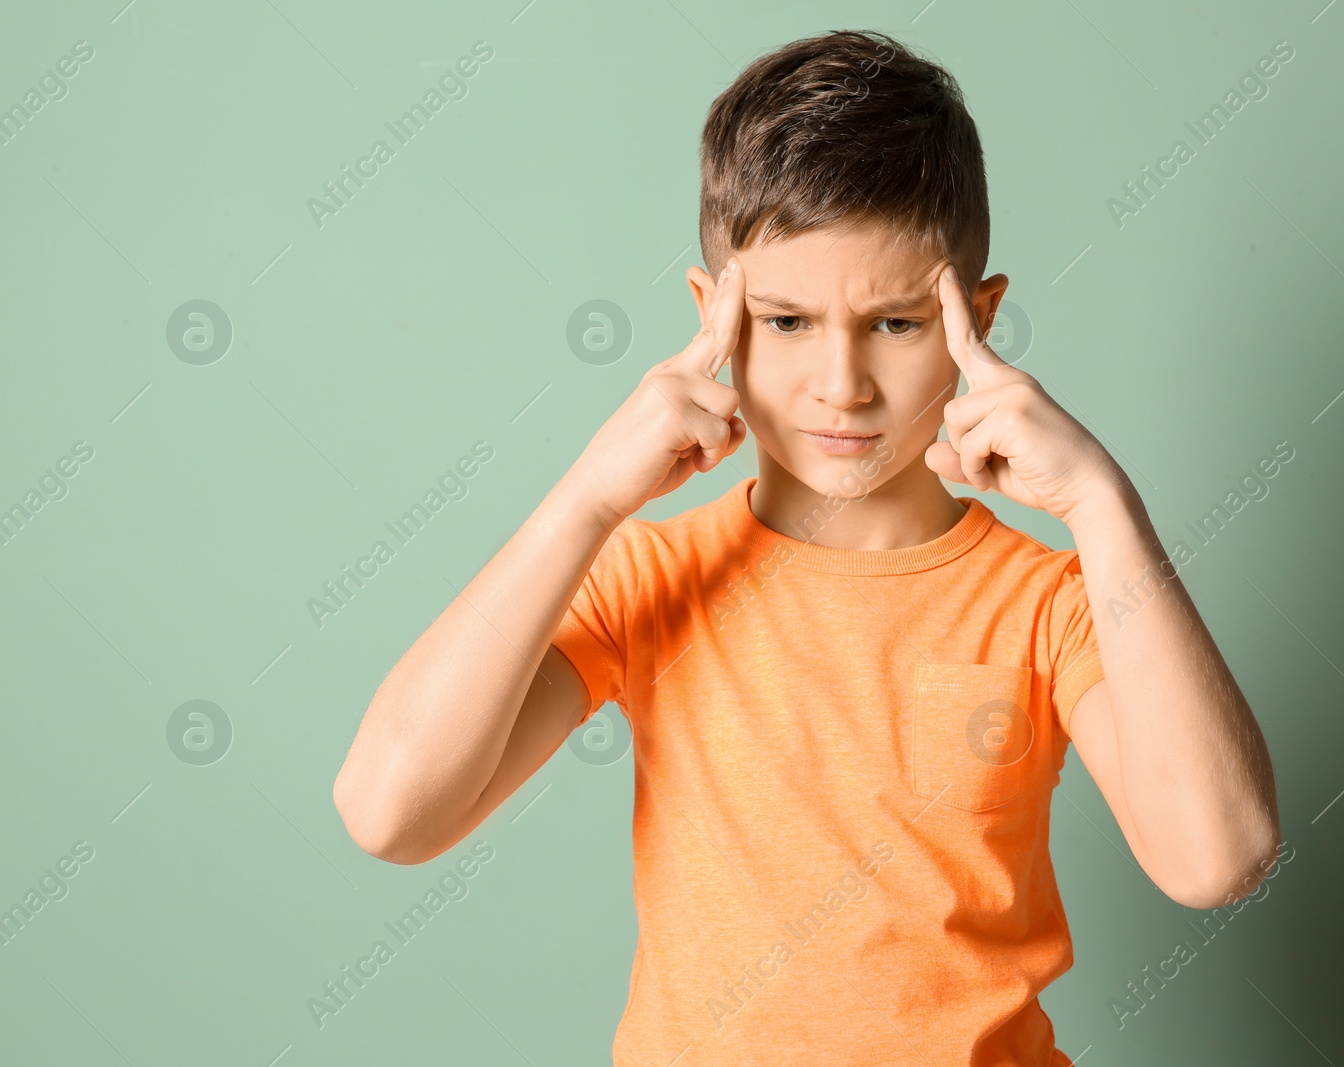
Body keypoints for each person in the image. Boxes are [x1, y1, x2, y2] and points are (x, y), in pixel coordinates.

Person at [333, 29, 1279, 1066]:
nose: (843, 384)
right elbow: (390, 811)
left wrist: (1103, 503)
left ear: (979, 317)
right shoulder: (651, 578)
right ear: (715, 317)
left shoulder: (1049, 603)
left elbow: (1215, 857)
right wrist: (586, 501)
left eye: (896, 324)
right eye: (785, 321)